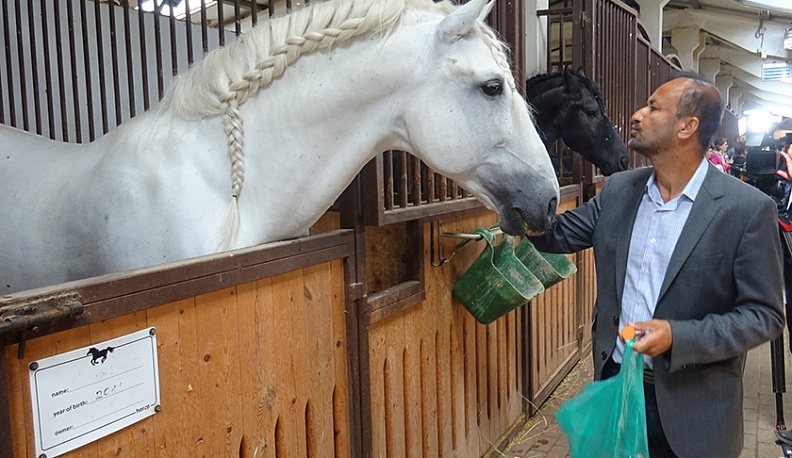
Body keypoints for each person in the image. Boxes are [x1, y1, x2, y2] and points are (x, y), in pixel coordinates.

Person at [529, 72, 784, 457]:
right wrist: (511, 188)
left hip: (693, 409)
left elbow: (764, 315)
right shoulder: (618, 191)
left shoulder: (746, 210)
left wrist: (678, 336)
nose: (636, 115)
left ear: (687, 126)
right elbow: (555, 234)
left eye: (653, 107)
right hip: (618, 388)